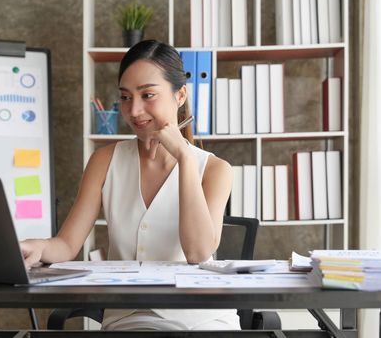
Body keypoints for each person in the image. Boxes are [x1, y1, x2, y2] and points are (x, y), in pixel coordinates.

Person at [20, 40, 240, 330]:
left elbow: (198, 253)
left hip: (201, 318)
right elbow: (66, 245)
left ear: (180, 95)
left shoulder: (214, 169)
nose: (134, 111)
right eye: (125, 97)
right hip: (129, 319)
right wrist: (33, 246)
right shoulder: (104, 161)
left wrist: (185, 158)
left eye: (148, 95)